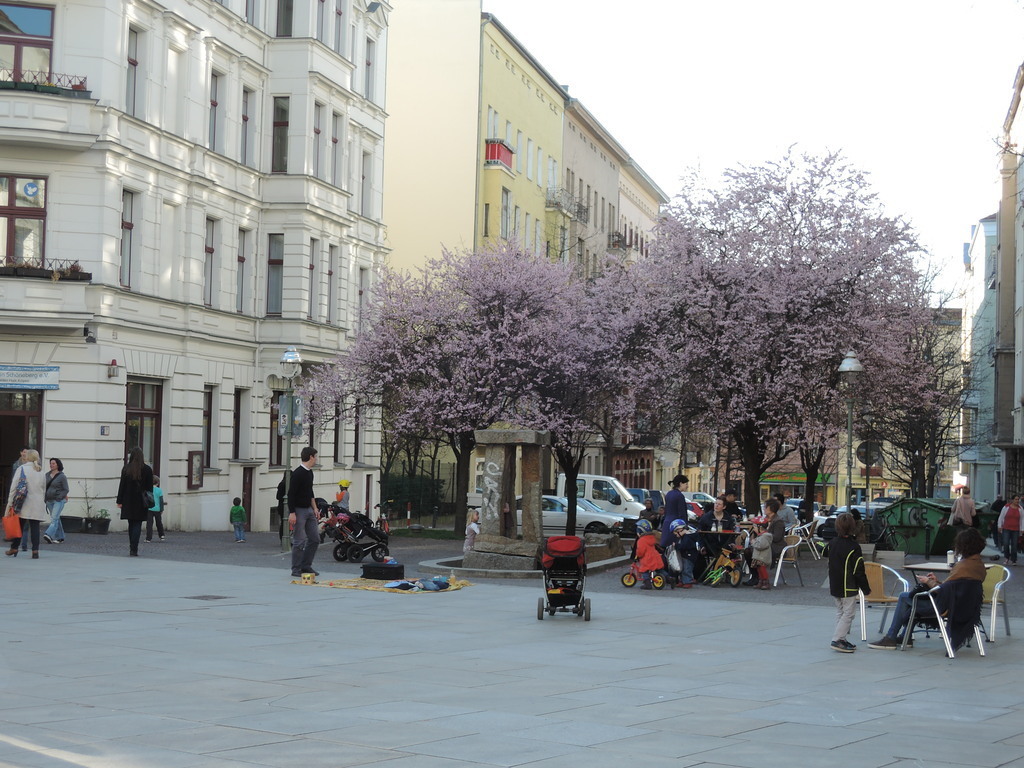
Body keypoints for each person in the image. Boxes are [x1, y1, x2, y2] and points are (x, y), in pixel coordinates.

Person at [869, 527, 988, 650]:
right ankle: (905, 636)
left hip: (946, 606)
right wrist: (935, 581)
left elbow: (942, 591)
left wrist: (928, 581)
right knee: (914, 600)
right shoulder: (979, 566)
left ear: (963, 545)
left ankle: (891, 637)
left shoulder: (962, 566)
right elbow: (953, 587)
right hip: (964, 606)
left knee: (905, 597)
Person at [828, 513, 870, 653]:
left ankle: (841, 637)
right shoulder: (854, 547)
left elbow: (823, 550)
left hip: (834, 584)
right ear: (852, 527)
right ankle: (838, 639)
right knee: (849, 613)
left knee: (840, 611)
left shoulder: (832, 543)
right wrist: (866, 588)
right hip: (848, 586)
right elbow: (859, 570)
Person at [5, 449, 46, 558]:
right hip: (37, 502)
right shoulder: (40, 471)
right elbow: (43, 488)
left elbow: (14, 487)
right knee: (35, 527)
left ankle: (14, 548)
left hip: (23, 502)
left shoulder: (22, 468)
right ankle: (35, 551)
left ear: (27, 457)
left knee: (19, 525)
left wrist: (10, 503)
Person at [116, 447, 154, 557]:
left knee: (131, 523)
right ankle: (134, 548)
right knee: (137, 523)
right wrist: (149, 501)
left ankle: (131, 547)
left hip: (128, 499)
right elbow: (149, 488)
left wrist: (119, 500)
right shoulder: (147, 469)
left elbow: (122, 486)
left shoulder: (126, 469)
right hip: (141, 500)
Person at [289, 446, 319, 578]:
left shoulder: (310, 472)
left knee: (315, 539)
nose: (316, 459)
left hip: (308, 509)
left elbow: (310, 491)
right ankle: (296, 568)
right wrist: (292, 513)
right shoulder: (298, 473)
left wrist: (315, 507)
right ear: (311, 457)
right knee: (299, 541)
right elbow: (291, 494)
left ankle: (306, 565)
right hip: (299, 510)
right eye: (315, 456)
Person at [744, 498, 785, 585]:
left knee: (755, 551)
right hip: (764, 544)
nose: (764, 508)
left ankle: (762, 579)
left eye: (765, 507)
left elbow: (777, 537)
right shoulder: (764, 520)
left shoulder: (778, 521)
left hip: (775, 546)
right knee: (747, 551)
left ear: (771, 508)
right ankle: (755, 576)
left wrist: (762, 532)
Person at [669, 518, 703, 588]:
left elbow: (685, 546)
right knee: (682, 568)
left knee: (687, 569)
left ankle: (687, 581)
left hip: (689, 555)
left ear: (679, 530)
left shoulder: (688, 536)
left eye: (675, 533)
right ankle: (682, 580)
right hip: (685, 554)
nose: (676, 535)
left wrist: (676, 546)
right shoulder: (685, 536)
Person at [42, 458, 69, 544]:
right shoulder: (46, 475)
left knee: (54, 518)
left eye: (53, 463)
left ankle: (48, 534)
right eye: (50, 463)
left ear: (57, 465)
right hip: (49, 500)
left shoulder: (62, 476)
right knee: (56, 518)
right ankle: (60, 537)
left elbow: (66, 489)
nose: (51, 465)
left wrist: (60, 497)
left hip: (58, 500)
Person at [660, 474, 690, 549]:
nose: (687, 486)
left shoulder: (669, 494)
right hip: (676, 526)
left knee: (666, 548)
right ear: (680, 484)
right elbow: (682, 513)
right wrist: (685, 527)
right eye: (686, 484)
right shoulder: (680, 496)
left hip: (667, 524)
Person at [633, 518, 664, 589]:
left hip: (647, 558)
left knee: (644, 570)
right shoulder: (651, 538)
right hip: (655, 556)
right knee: (660, 570)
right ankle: (669, 578)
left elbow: (641, 551)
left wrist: (638, 555)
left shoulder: (641, 540)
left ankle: (647, 583)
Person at [997, 493, 1023, 566]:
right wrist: (999, 526)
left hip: (1015, 529)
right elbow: (1001, 517)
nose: (1017, 501)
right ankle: (1006, 557)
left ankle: (1014, 560)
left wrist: (1022, 528)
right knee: (1006, 543)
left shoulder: (1020, 509)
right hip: (1006, 528)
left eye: (1018, 499)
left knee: (1014, 545)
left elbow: (1022, 519)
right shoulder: (1006, 507)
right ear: (1012, 500)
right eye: (1016, 499)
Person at [748, 517, 773, 590]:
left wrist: (754, 542)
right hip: (759, 557)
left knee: (762, 569)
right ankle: (761, 581)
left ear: (760, 527)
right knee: (759, 569)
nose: (754, 529)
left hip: (762, 557)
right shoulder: (761, 536)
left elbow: (761, 546)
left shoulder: (765, 537)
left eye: (755, 527)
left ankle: (765, 581)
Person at [145, 475, 165, 542]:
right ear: (157, 483)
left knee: (149, 524)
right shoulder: (159, 490)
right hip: (157, 509)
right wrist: (161, 509)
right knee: (159, 523)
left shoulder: (148, 489)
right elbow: (161, 501)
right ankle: (162, 535)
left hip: (149, 509)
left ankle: (148, 538)